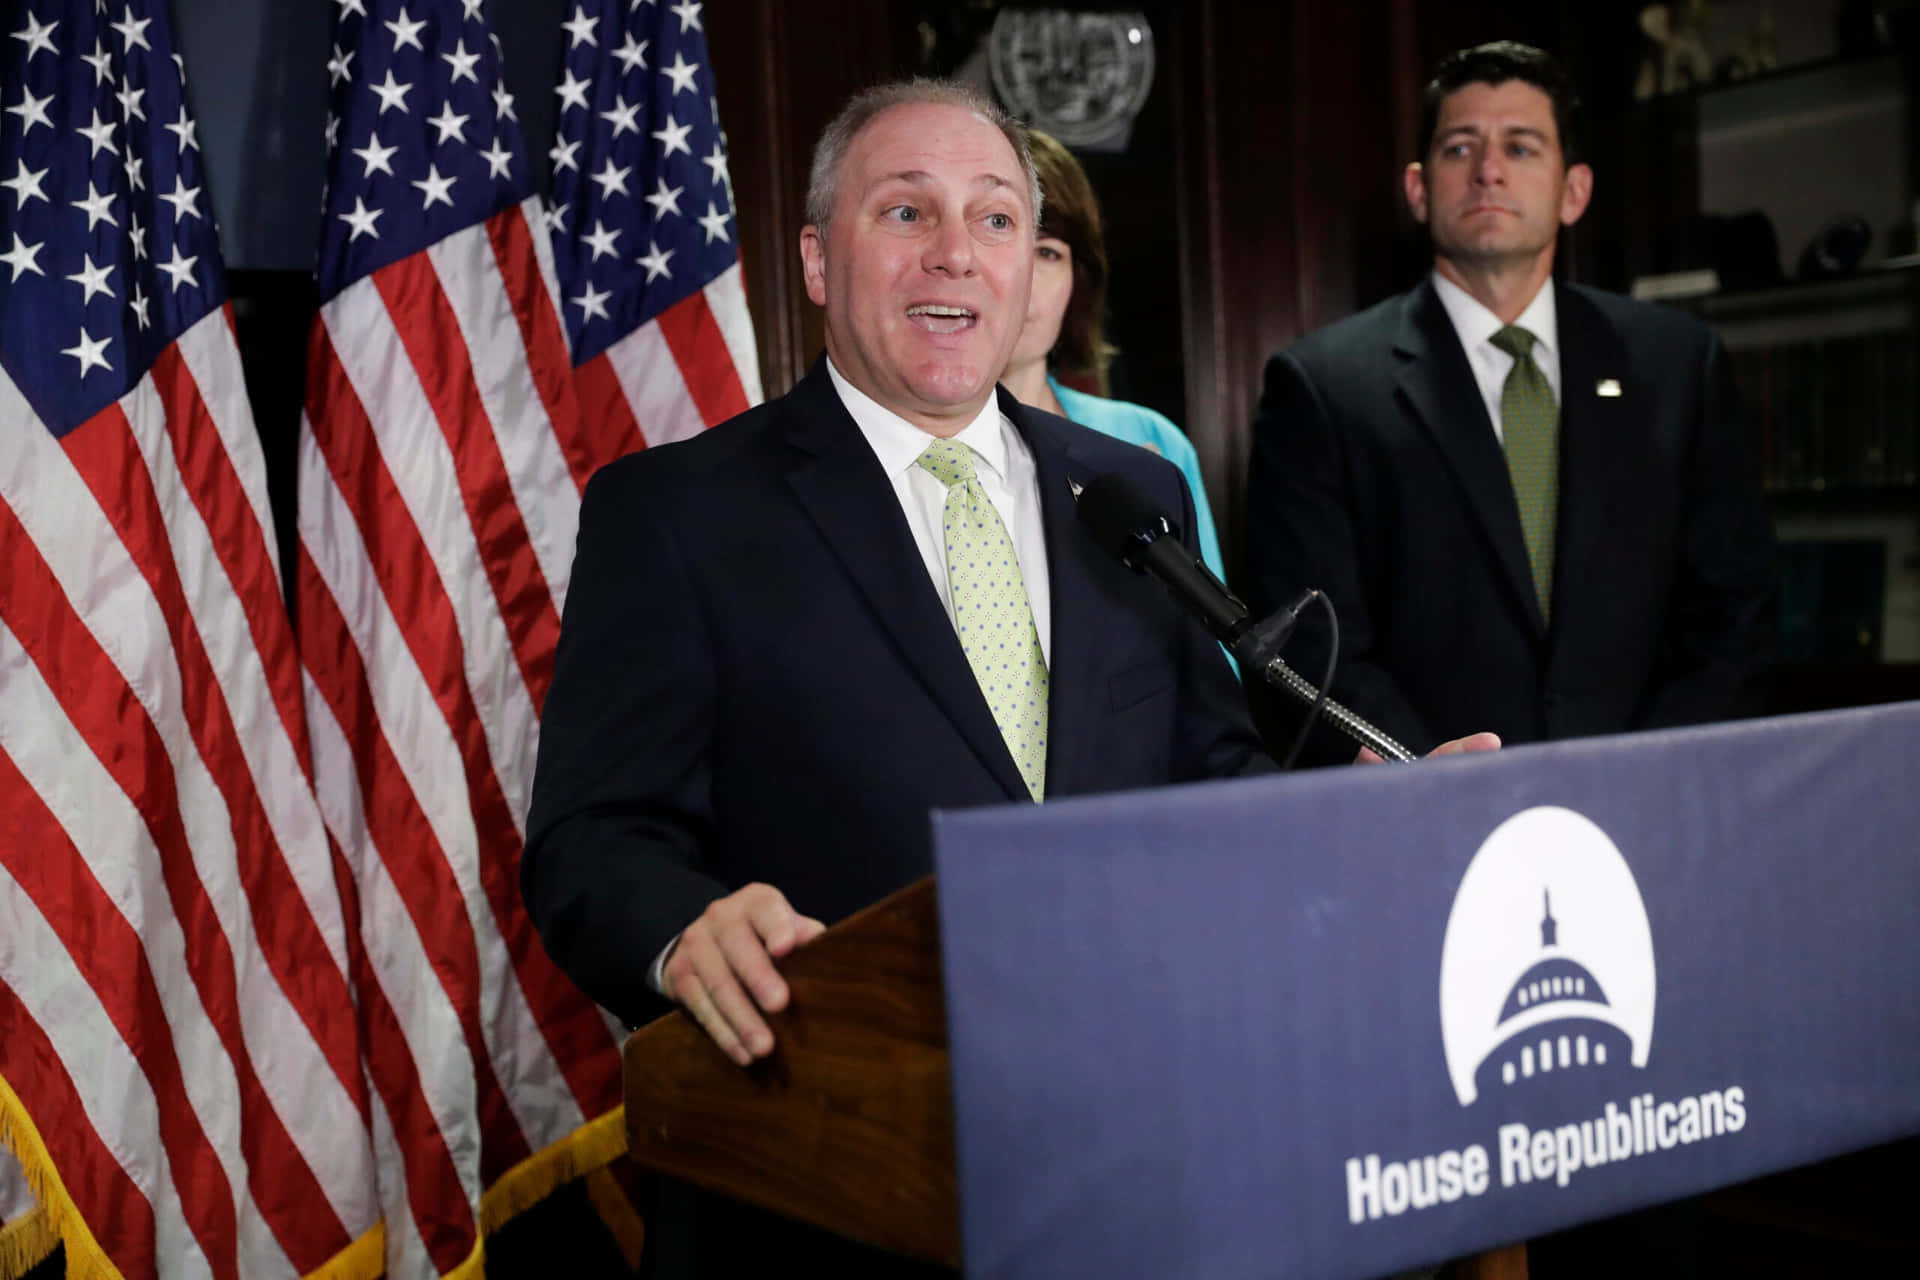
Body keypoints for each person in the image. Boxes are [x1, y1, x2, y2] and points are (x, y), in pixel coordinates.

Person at [522, 78, 1269, 1275]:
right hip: (823, 1190)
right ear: (818, 262)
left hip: (1129, 1165)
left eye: (993, 220)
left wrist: (1382, 821)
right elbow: (591, 839)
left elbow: (1213, 772)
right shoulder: (676, 514)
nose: (956, 256)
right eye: (906, 213)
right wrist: (681, 930)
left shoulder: (1129, 497)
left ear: (1031, 269)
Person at [1243, 41, 1777, 764]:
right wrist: (1440, 772)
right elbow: (1311, 646)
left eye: (1521, 148)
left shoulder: (1677, 364)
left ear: (1574, 190)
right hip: (1429, 815)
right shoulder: (1323, 386)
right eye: (1460, 147)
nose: (1489, 169)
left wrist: (1648, 769)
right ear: (1418, 188)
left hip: (1652, 804)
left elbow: (1734, 616)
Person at [999, 129, 1228, 585]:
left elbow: (1214, 649)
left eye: (1047, 252)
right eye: (1000, 235)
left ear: (1077, 282)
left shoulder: (1149, 438)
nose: (1024, 279)